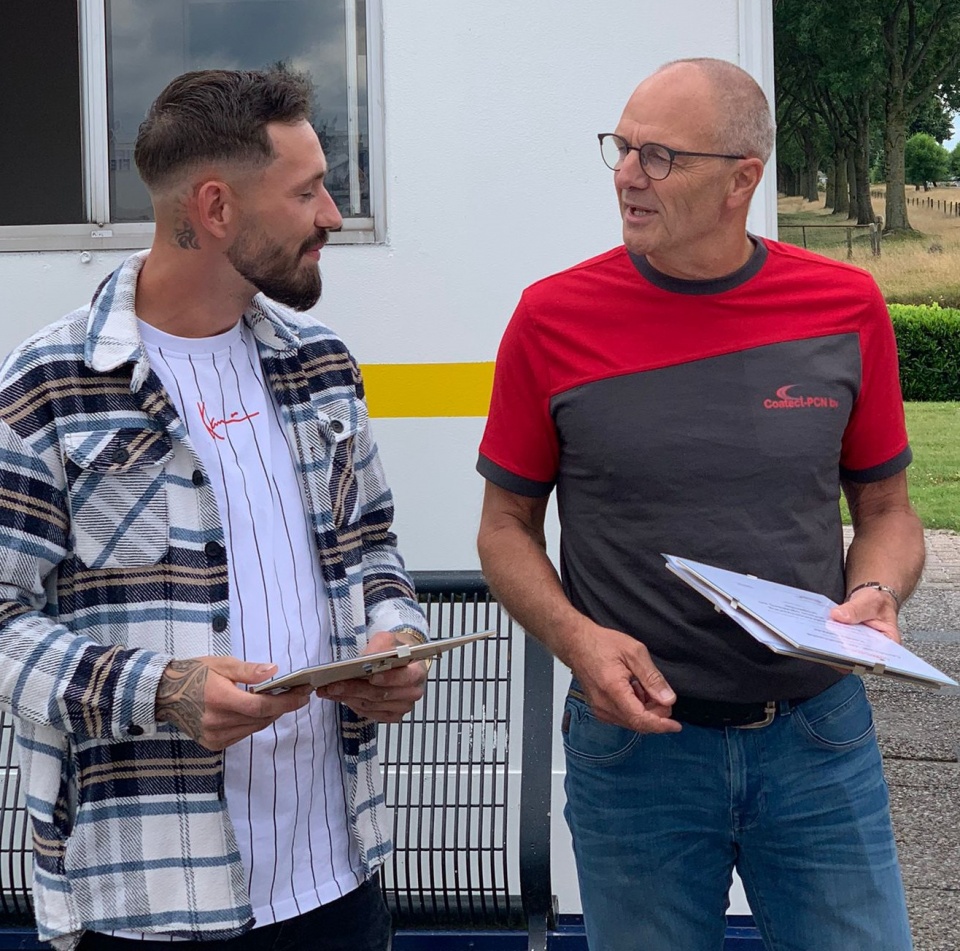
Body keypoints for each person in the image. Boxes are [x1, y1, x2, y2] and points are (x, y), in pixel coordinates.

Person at [476, 58, 924, 951]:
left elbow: (887, 511)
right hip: (635, 749)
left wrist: (877, 591)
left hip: (817, 738)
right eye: (622, 147)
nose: (627, 175)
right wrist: (578, 640)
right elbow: (504, 530)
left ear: (741, 179)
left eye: (659, 156)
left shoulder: (845, 305)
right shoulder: (551, 317)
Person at [0, 68, 430, 951]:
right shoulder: (49, 387)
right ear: (217, 207)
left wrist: (392, 635)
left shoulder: (321, 366)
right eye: (307, 192)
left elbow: (373, 545)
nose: (331, 215)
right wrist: (161, 690)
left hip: (337, 881)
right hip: (153, 902)